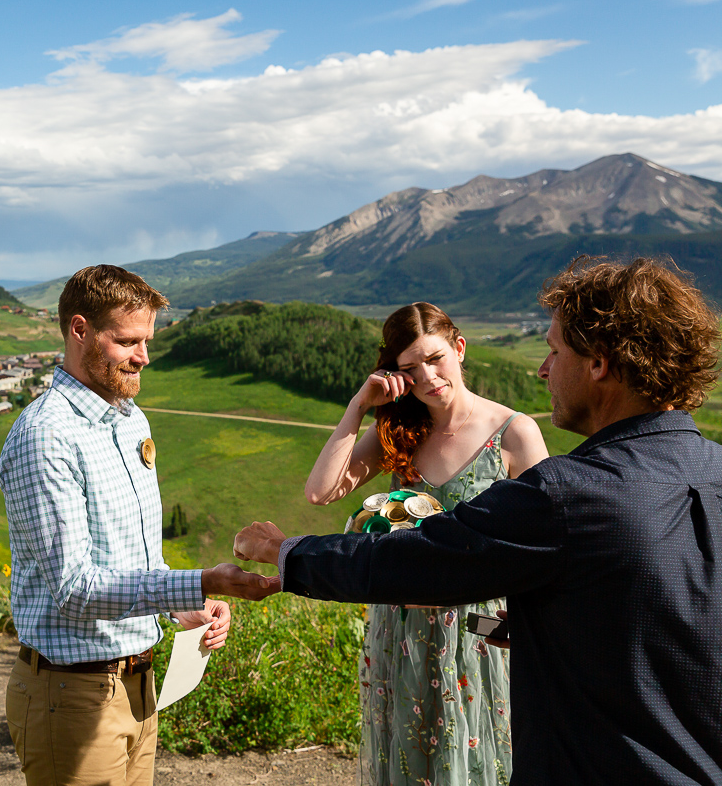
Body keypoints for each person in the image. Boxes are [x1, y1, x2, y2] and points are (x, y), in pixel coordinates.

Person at [234, 256, 722, 786]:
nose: (541, 369)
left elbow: (427, 557)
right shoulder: (714, 471)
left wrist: (290, 553)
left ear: (599, 364)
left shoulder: (571, 493)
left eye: (555, 351)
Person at [0, 264, 278, 786]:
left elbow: (134, 561)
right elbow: (76, 591)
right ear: (79, 331)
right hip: (72, 696)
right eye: (127, 341)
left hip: (139, 685)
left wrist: (185, 606)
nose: (144, 356)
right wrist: (202, 580)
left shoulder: (131, 419)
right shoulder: (46, 436)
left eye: (146, 340)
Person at [303, 302, 548, 785]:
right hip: (402, 627)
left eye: (435, 358)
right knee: (408, 761)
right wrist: (360, 406)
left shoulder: (514, 433)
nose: (428, 376)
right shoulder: (399, 432)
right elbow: (320, 490)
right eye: (410, 369)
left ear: (459, 349)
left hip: (481, 632)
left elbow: (544, 545)